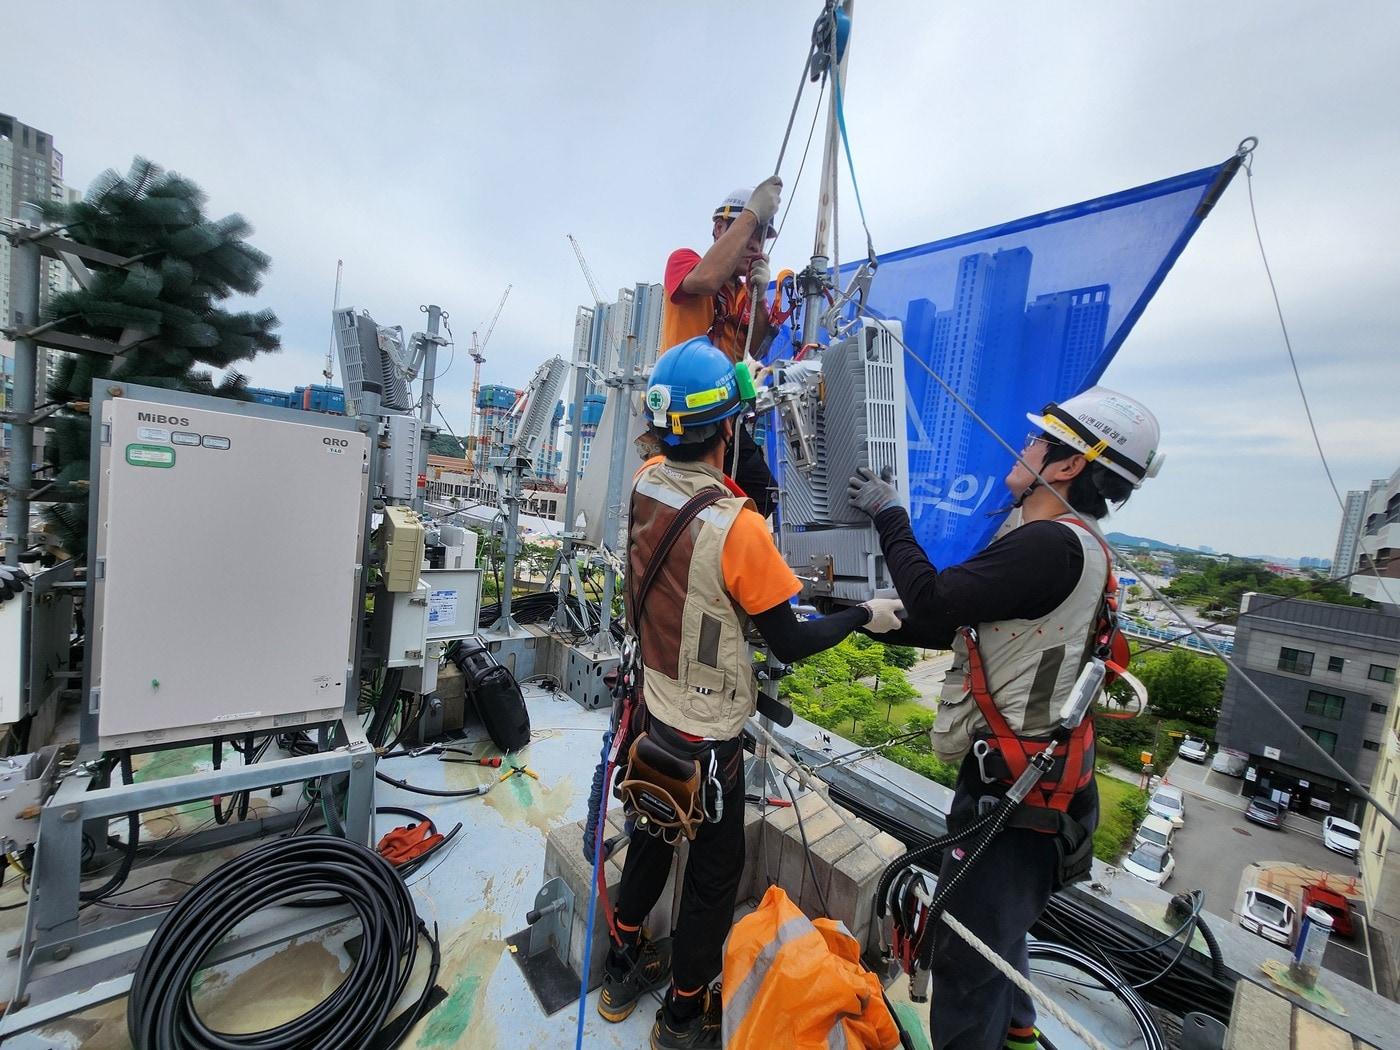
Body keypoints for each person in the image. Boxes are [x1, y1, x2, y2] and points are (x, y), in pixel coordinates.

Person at [599, 335, 903, 1049]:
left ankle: (620, 969)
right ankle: (679, 1017)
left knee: (648, 838)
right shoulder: (737, 530)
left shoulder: (645, 481)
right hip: (708, 741)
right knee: (711, 876)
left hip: (653, 712)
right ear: (731, 427)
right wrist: (865, 614)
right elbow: (790, 641)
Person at [847, 387, 1163, 1050]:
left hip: (1013, 804)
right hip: (1042, 797)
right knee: (999, 938)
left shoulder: (1050, 545)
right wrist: (869, 622)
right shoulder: (1079, 550)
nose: (1022, 449)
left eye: (1036, 441)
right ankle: (1019, 1038)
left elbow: (933, 600)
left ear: (1069, 464)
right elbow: (974, 634)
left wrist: (889, 514)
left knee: (966, 967)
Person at [655, 178, 784, 516]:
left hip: (720, 414)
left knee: (759, 494)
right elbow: (707, 279)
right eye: (750, 232)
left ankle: (718, 555)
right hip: (684, 409)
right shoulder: (685, 262)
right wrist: (753, 213)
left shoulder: (743, 295)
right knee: (696, 498)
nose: (755, 244)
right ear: (719, 228)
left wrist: (759, 294)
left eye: (761, 237)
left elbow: (750, 350)